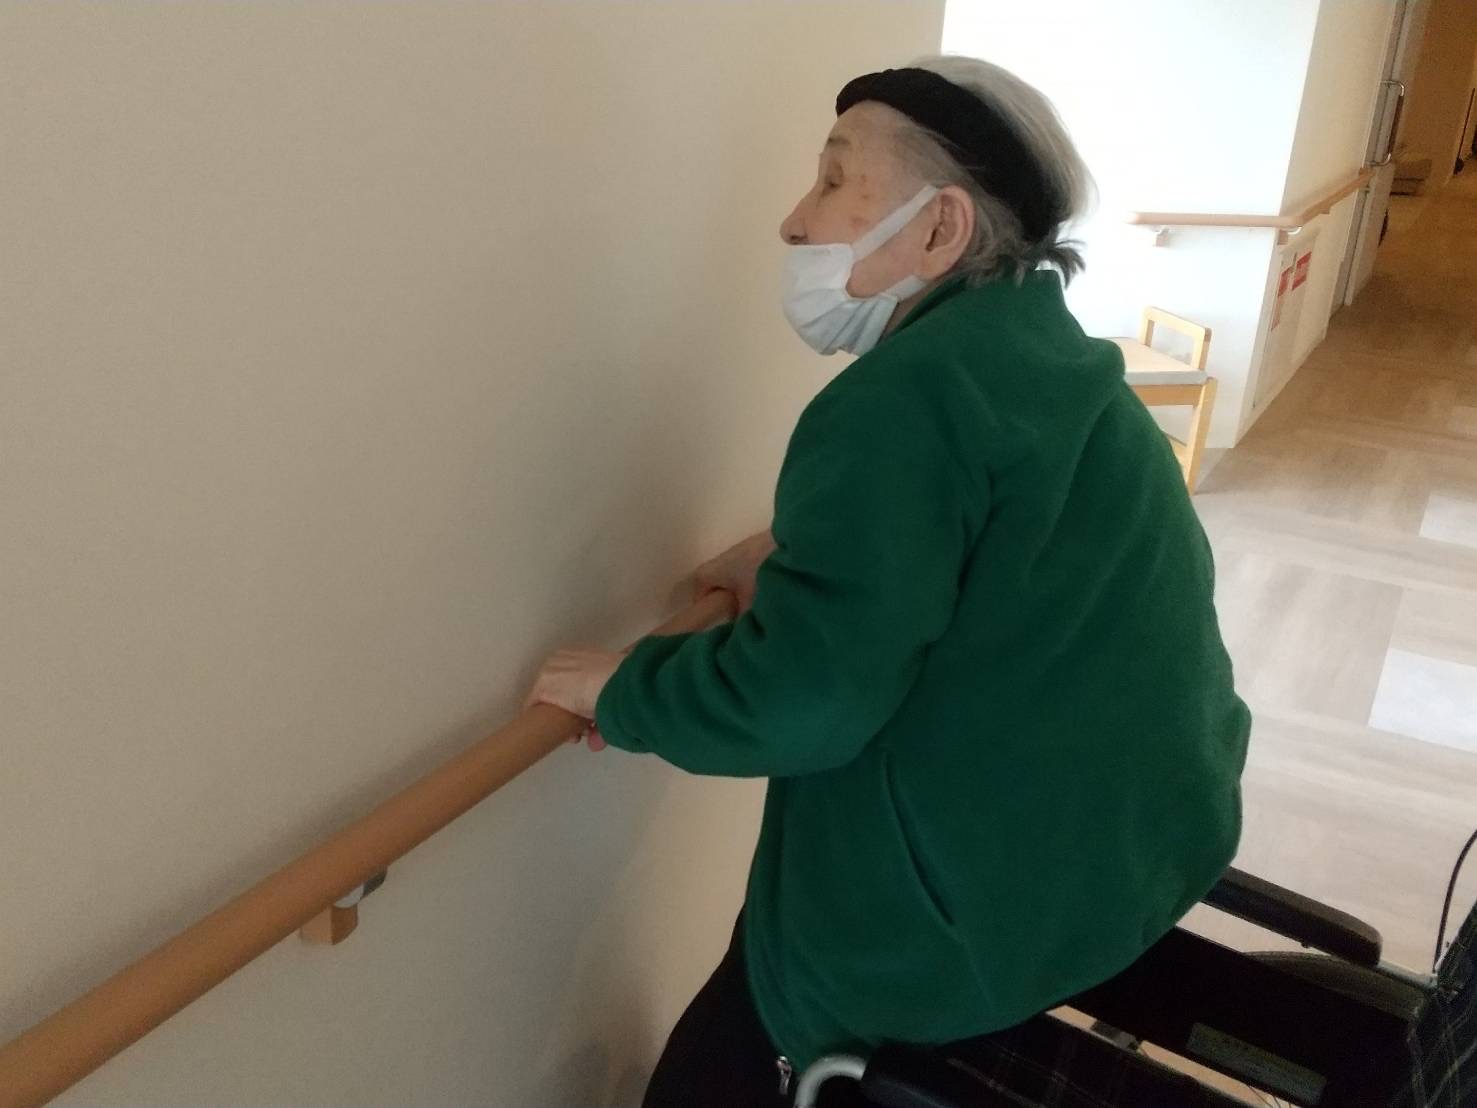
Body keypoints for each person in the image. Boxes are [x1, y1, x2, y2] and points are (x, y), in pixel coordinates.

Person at [524, 54, 1250, 1107]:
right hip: (1132, 858)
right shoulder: (1043, 355)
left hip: (961, 930)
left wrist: (625, 688)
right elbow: (996, 532)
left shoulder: (895, 402)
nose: (793, 221)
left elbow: (803, 703)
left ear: (939, 229)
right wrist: (797, 550)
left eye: (832, 180)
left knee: (719, 1060)